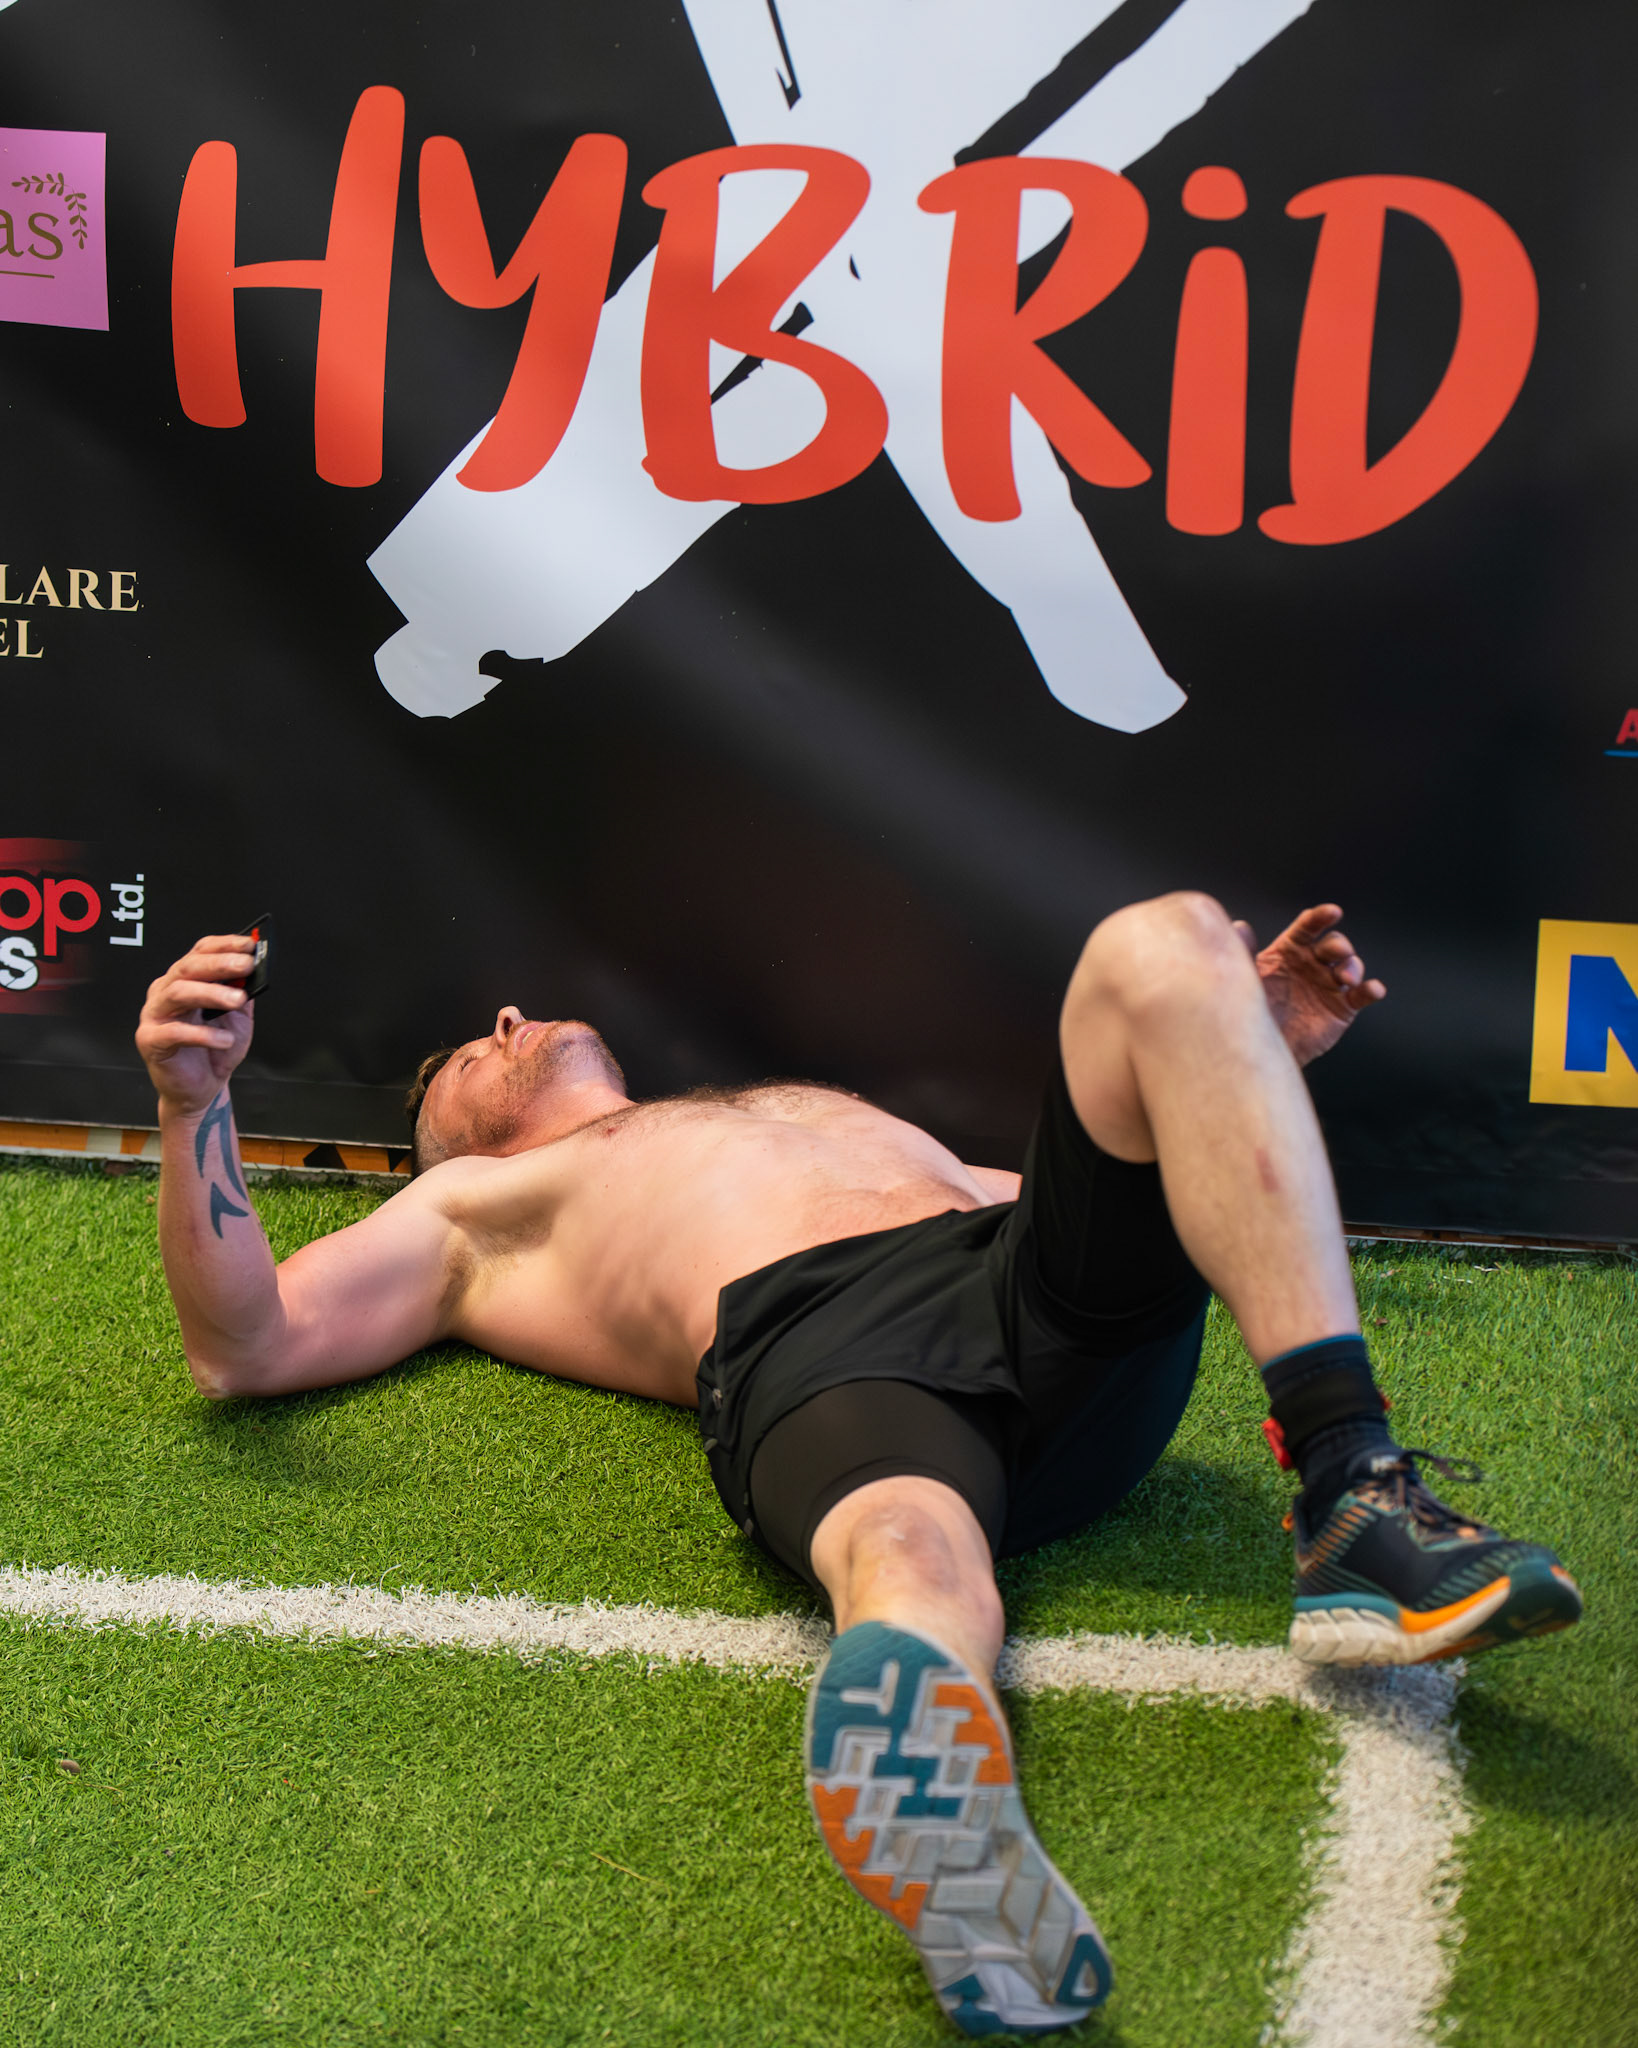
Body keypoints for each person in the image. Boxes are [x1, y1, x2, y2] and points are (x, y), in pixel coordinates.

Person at [136, 895, 1581, 2037]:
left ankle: (1352, 1493)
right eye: (467, 1060)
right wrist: (194, 1104)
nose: (503, 1022)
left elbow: (1143, 1207)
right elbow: (246, 1347)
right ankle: (963, 1838)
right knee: (905, 1558)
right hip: (824, 1343)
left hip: (1023, 1277)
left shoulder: (778, 1107)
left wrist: (1227, 1059)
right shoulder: (475, 1204)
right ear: (444, 1143)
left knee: (1169, 942)